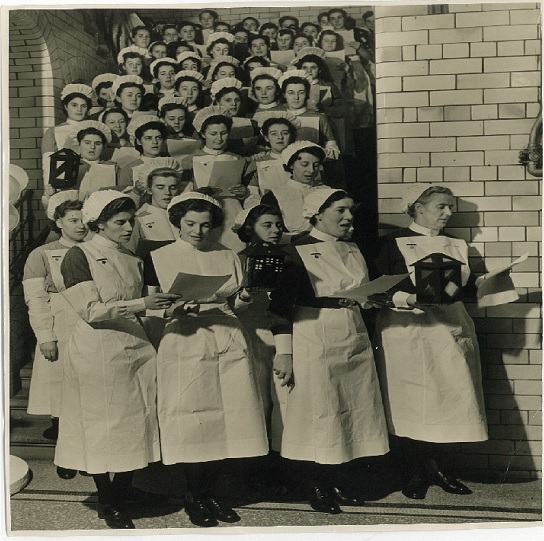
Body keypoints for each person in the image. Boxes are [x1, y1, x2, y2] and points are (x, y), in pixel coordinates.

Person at [143, 191, 268, 527]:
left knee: (228, 418)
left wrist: (243, 296)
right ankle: (194, 495)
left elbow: (236, 303)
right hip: (184, 338)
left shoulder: (226, 255)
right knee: (194, 418)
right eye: (190, 224)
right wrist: (174, 307)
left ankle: (211, 493)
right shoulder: (160, 256)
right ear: (177, 223)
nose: (198, 231)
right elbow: (153, 308)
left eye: (205, 225)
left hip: (226, 333)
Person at [55, 190, 179, 529]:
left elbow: (142, 305)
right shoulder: (79, 256)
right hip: (97, 350)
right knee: (99, 425)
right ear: (99, 223)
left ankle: (125, 490)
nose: (128, 227)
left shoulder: (133, 259)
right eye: (120, 222)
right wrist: (142, 305)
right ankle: (107, 499)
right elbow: (91, 312)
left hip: (135, 346)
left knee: (136, 421)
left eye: (131, 221)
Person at [268, 188, 389, 513]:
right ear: (317, 214)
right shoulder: (294, 252)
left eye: (351, 210)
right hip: (313, 336)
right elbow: (279, 308)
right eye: (340, 211)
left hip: (352, 332)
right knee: (318, 413)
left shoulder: (352, 247)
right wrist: (285, 353)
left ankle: (337, 480)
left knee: (348, 409)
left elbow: (372, 290)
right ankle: (315, 485)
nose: (349, 217)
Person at [373, 184, 489, 500]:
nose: (449, 213)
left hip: (449, 329)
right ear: (418, 207)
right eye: (442, 206)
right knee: (410, 402)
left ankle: (439, 469)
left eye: (451, 207)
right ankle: (414, 473)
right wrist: (406, 298)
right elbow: (375, 289)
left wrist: (483, 282)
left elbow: (467, 288)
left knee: (448, 399)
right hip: (407, 330)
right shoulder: (390, 244)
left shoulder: (457, 244)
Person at [23, 191, 88, 480]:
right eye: (73, 219)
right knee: (60, 394)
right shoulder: (41, 254)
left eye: (84, 219)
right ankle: (65, 456)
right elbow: (36, 299)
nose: (80, 225)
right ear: (59, 222)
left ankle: (89, 455)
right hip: (59, 327)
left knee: (89, 394)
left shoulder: (96, 250)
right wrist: (45, 336)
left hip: (91, 325)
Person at [191, 106, 258, 251]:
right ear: (203, 134)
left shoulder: (240, 160)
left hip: (232, 213)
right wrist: (197, 193)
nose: (219, 138)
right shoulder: (190, 160)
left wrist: (244, 193)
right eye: (213, 134)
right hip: (202, 213)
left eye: (223, 133)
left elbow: (253, 195)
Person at [261, 140, 327, 237]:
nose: (311, 170)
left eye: (316, 165)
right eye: (304, 164)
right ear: (291, 164)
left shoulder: (327, 191)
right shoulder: (274, 196)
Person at [41, 83, 93, 162]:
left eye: (83, 106)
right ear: (66, 106)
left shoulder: (95, 129)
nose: (79, 109)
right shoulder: (52, 132)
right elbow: (48, 164)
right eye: (74, 105)